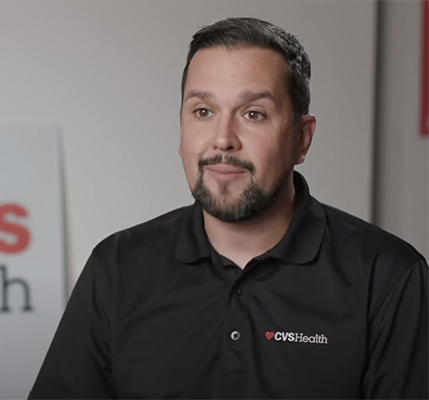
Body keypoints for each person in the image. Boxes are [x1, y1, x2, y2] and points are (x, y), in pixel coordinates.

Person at [29, 17, 428, 399]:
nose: (222, 140)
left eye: (253, 114)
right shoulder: (117, 267)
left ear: (301, 140)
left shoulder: (388, 276)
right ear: (181, 129)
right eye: (203, 112)